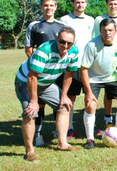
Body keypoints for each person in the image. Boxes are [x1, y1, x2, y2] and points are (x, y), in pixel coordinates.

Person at [15, 26, 79, 161]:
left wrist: (64, 95)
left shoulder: (74, 52)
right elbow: (32, 77)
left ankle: (62, 143)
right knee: (30, 113)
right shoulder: (44, 51)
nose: (65, 46)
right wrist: (33, 101)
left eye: (69, 43)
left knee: (64, 106)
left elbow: (69, 73)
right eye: (62, 42)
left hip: (46, 83)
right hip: (25, 82)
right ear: (56, 38)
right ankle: (30, 151)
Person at [81, 18, 117, 149]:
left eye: (110, 30)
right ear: (100, 31)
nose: (107, 33)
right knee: (90, 104)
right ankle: (90, 139)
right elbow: (83, 69)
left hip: (112, 77)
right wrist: (88, 91)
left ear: (115, 31)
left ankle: (116, 132)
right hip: (94, 78)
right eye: (104, 30)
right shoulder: (91, 45)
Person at [24, 0, 65, 147]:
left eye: (51, 5)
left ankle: (58, 131)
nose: (49, 8)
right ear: (41, 7)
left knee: (59, 101)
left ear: (55, 7)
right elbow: (29, 49)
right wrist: (38, 67)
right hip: (40, 73)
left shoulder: (61, 26)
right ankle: (38, 135)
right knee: (39, 104)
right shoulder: (34, 25)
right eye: (46, 5)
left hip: (57, 71)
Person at [58, 0, 95, 139]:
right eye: (77, 2)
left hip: (87, 66)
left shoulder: (91, 20)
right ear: (73, 4)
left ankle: (90, 128)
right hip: (70, 66)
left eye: (83, 2)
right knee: (70, 97)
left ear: (86, 3)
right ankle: (69, 127)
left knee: (90, 96)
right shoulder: (65, 20)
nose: (80, 4)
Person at [92, 0, 117, 128]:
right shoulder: (99, 19)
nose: (113, 6)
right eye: (110, 4)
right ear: (107, 5)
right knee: (108, 91)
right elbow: (96, 37)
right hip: (104, 56)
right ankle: (108, 118)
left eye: (115, 4)